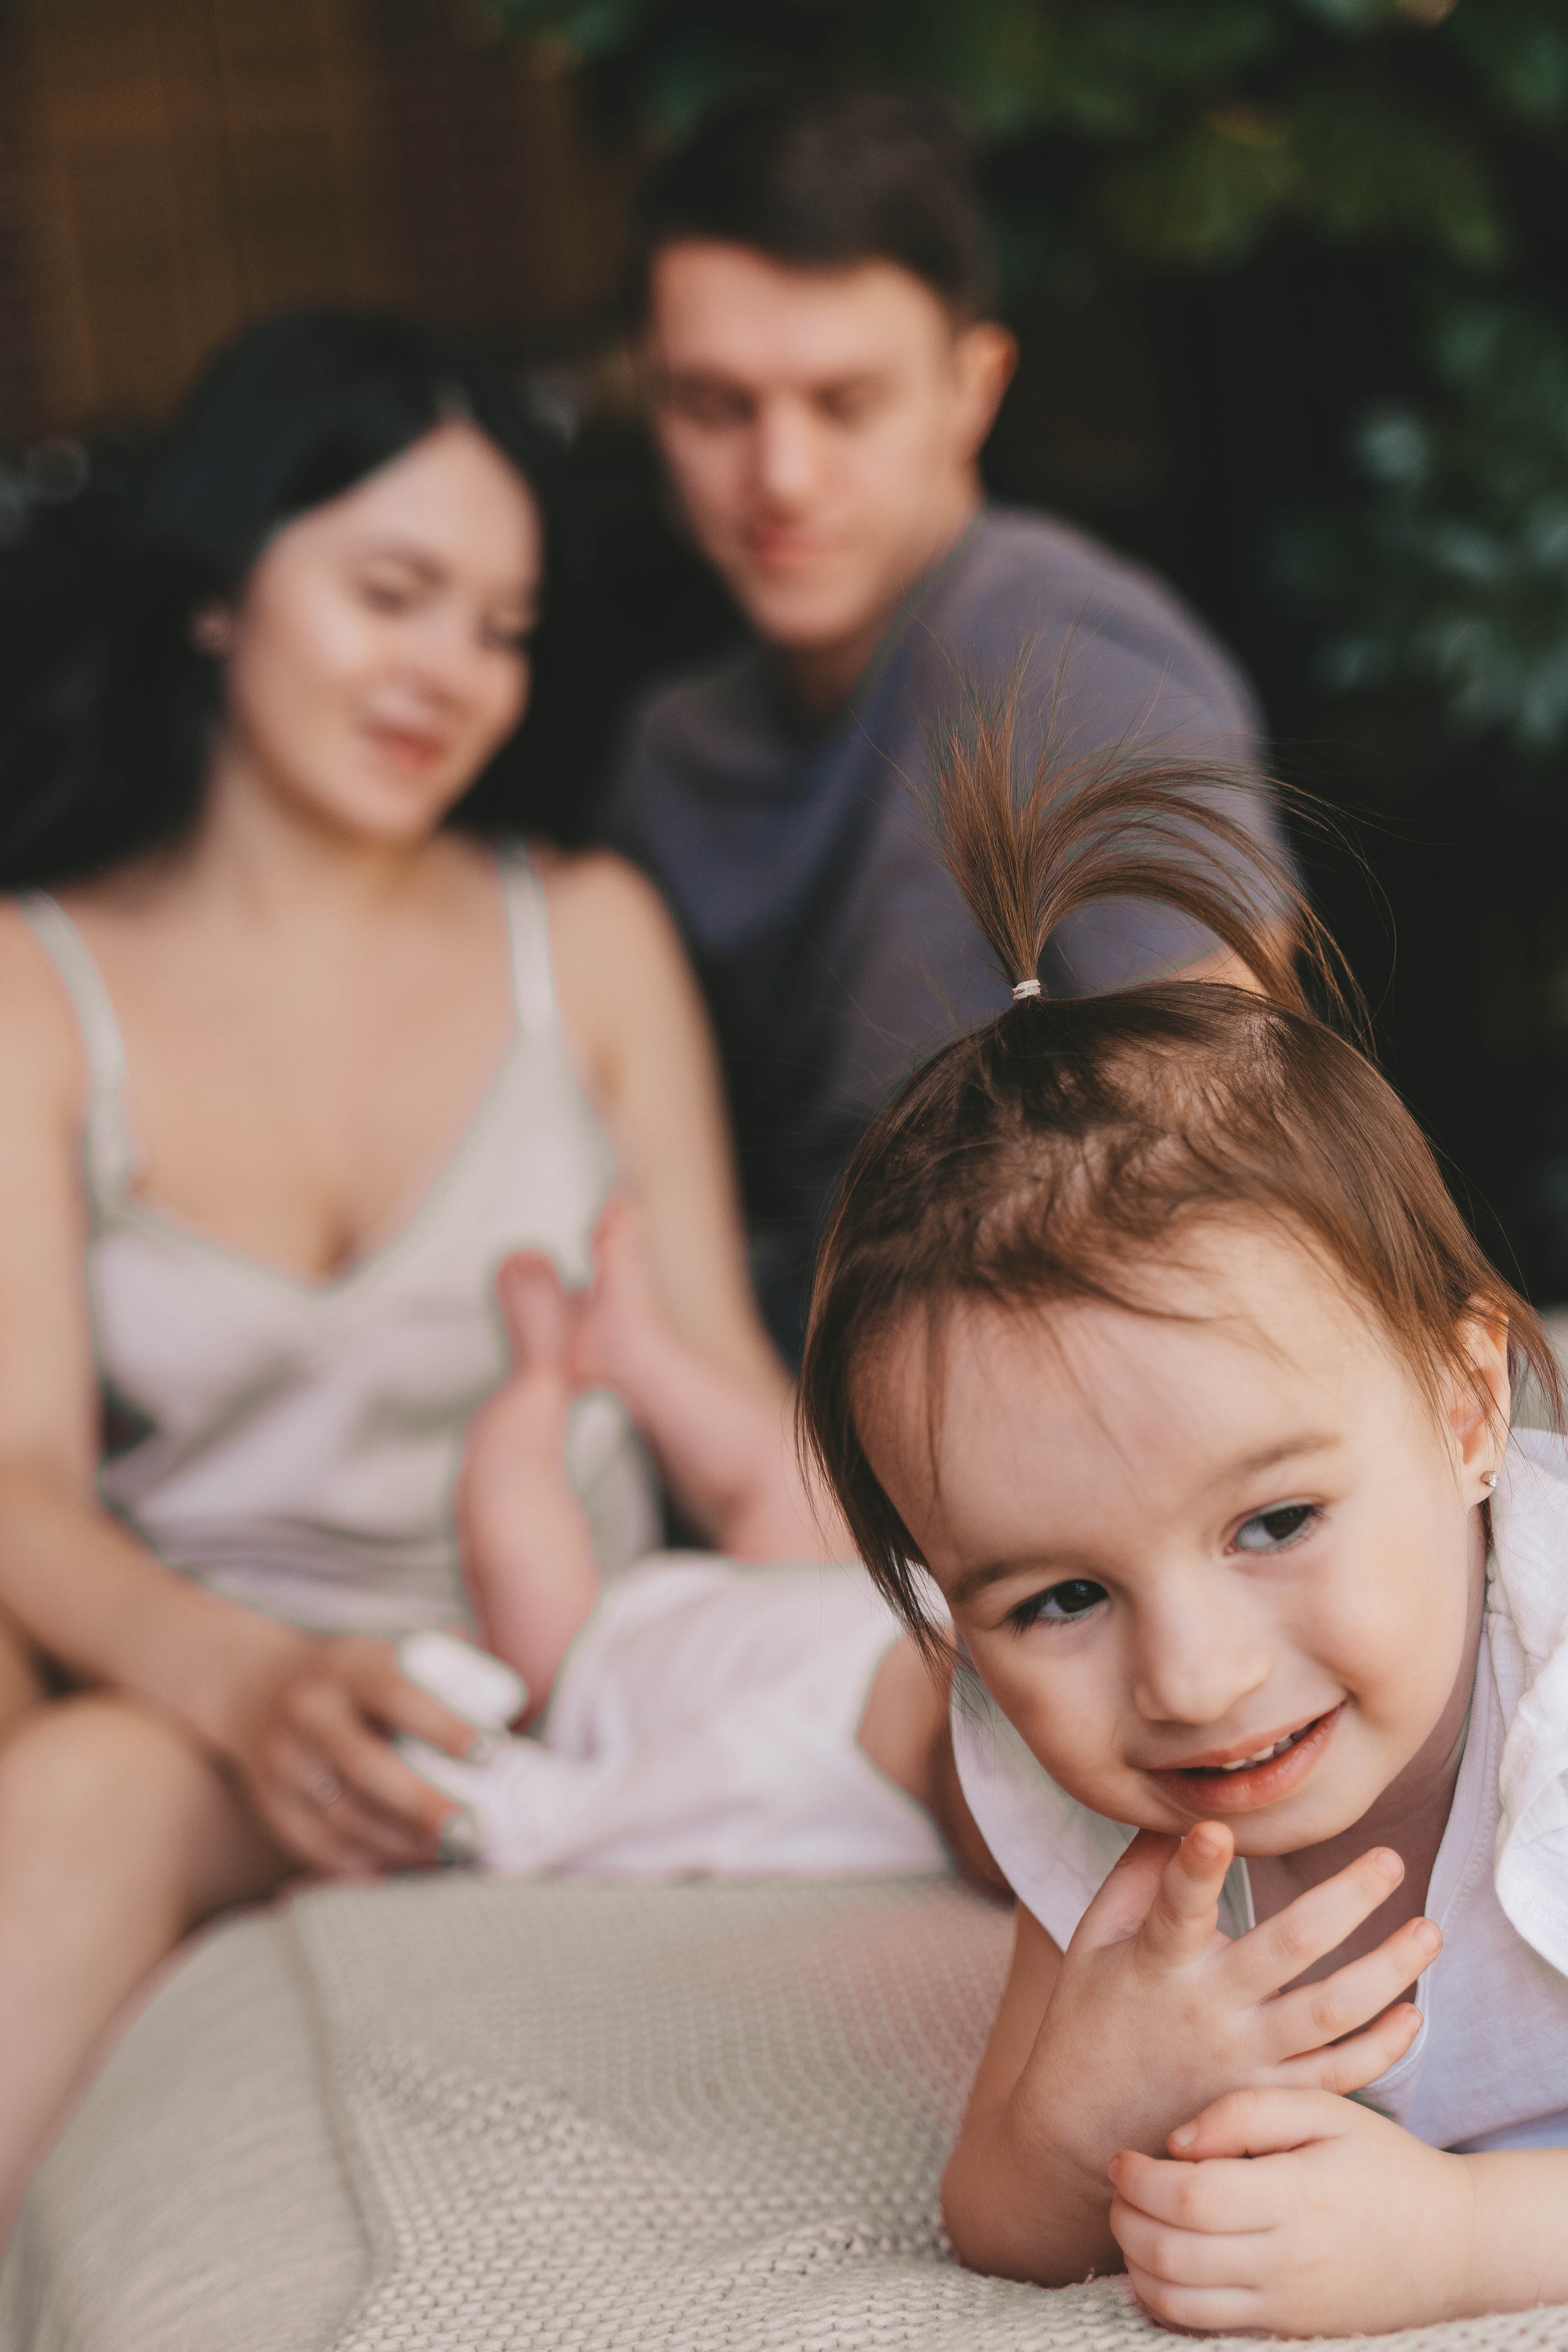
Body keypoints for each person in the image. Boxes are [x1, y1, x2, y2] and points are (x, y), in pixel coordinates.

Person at [0, 309, 789, 2228]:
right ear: (218, 594)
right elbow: (14, 1477)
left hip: (575, 1681)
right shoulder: (37, 988)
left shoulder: (583, 939)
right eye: (393, 591)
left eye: (500, 626)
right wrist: (263, 1688)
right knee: (87, 1775)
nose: (450, 669)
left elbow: (728, 1409)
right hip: (217, 1706)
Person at [797, 728, 1568, 2335]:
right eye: (1060, 1598)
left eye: (1275, 1518)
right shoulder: (1081, 1783)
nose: (1197, 1681)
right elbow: (1002, 2216)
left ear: (1466, 1414)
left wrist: (1469, 2237)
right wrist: (1095, 2100)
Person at [609, 86, 1283, 1357]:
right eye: (714, 406)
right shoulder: (670, 748)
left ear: (972, 392)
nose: (780, 477)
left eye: (843, 403)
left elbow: (1246, 1168)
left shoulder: (1061, 665)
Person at [388, 1197, 981, 1883]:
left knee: (517, 1530)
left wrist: (475, 1779)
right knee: (800, 1487)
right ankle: (636, 1354)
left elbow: (562, 1817)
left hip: (595, 1653)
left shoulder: (765, 1784)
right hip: (822, 1596)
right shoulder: (986, 1612)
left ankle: (539, 1378)